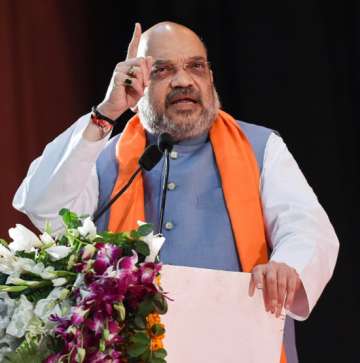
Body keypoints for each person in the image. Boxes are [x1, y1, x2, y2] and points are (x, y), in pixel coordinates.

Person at [13, 22, 339, 363]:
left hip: (237, 345)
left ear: (210, 77)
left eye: (196, 66)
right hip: (133, 351)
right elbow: (42, 207)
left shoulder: (260, 147)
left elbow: (306, 227)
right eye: (163, 70)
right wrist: (107, 111)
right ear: (138, 84)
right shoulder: (105, 158)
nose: (184, 81)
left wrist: (286, 265)